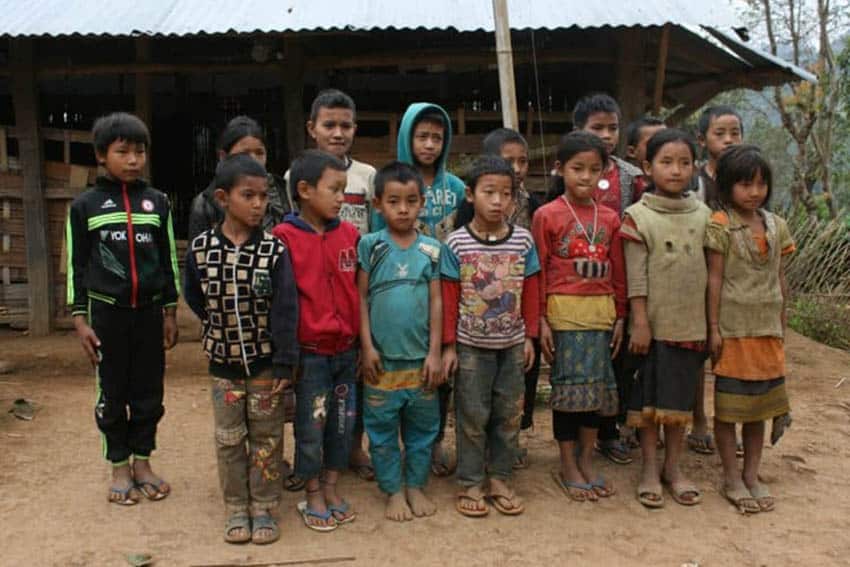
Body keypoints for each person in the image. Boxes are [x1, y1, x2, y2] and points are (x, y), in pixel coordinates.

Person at [183, 154, 299, 544]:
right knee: (229, 438)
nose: (258, 205)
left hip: (266, 366)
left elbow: (285, 309)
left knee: (267, 437)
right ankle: (236, 506)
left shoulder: (274, 251)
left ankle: (264, 507)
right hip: (223, 367)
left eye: (263, 196)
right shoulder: (200, 249)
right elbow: (195, 297)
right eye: (247, 195)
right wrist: (220, 328)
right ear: (222, 198)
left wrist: (285, 362)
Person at [66, 112, 179, 505]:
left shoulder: (158, 202)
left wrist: (169, 311)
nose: (133, 160)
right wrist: (79, 319)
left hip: (148, 314)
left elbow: (168, 261)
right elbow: (76, 265)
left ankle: (143, 463)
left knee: (149, 392)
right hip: (106, 316)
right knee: (112, 393)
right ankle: (119, 466)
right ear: (101, 156)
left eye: (140, 151)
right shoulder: (84, 207)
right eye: (123, 152)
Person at [440, 155, 540, 517]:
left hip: (512, 344)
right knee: (471, 413)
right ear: (470, 194)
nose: (498, 201)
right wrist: (449, 346)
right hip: (470, 346)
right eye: (489, 192)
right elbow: (449, 298)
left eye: (506, 194)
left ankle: (499, 476)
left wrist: (530, 337)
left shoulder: (524, 242)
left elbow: (532, 290)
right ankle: (470, 480)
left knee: (509, 413)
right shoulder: (456, 244)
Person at [286, 89, 377, 481]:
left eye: (345, 125)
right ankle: (312, 475)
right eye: (329, 125)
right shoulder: (297, 176)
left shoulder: (368, 176)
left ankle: (351, 455)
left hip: (352, 282)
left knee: (350, 399)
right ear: (312, 129)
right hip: (313, 322)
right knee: (313, 408)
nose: (338, 132)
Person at [373, 102, 466, 477]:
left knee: (437, 371)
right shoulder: (392, 182)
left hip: (443, 286)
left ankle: (433, 441)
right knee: (395, 369)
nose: (429, 144)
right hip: (399, 286)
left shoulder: (456, 188)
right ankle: (392, 444)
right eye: (422, 136)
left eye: (437, 137)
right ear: (406, 137)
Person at [532, 132, 626, 502]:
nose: (585, 177)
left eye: (594, 170)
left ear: (604, 171)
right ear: (560, 169)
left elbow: (618, 270)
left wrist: (621, 315)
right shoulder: (547, 215)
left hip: (601, 315)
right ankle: (567, 462)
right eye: (577, 169)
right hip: (564, 315)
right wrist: (539, 320)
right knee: (569, 392)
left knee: (598, 394)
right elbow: (537, 269)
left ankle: (587, 459)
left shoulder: (610, 218)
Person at [621, 128, 711, 509]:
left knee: (679, 403)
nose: (676, 171)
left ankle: (674, 468)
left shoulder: (706, 215)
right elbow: (636, 275)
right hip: (653, 327)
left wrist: (713, 325)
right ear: (647, 166)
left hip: (690, 325)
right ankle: (648, 468)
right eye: (666, 162)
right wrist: (640, 321)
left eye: (684, 163)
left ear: (695, 167)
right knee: (649, 404)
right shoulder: (638, 216)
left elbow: (713, 275)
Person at [272, 150, 360, 532]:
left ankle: (331, 486)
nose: (341, 198)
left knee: (343, 423)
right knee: (311, 426)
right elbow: (281, 303)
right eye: (334, 189)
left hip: (346, 351)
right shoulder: (283, 238)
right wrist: (286, 355)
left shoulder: (350, 235)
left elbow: (358, 289)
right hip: (310, 356)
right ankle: (311, 493)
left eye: (344, 189)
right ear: (305, 190)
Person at [706, 145, 794, 514]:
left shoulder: (777, 225)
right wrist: (713, 327)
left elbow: (779, 276)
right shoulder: (720, 225)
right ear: (727, 187)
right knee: (730, 409)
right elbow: (714, 280)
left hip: (766, 330)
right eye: (745, 184)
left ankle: (753, 474)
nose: (754, 191)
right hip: (733, 329)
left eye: (761, 184)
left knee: (759, 409)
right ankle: (731, 476)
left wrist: (783, 318)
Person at [561, 93, 647, 465]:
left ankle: (610, 432)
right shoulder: (565, 179)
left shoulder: (630, 177)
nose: (608, 135)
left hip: (620, 275)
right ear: (578, 130)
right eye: (598, 128)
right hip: (576, 290)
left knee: (618, 362)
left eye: (613, 128)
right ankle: (576, 442)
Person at [358, 161, 444, 522]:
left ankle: (415, 486)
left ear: (422, 203)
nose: (403, 209)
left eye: (411, 201)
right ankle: (392, 491)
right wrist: (366, 347)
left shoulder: (431, 249)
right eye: (394, 201)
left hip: (421, 360)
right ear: (378, 204)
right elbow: (360, 298)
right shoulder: (370, 246)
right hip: (383, 361)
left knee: (423, 431)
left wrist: (436, 352)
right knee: (381, 430)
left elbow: (438, 300)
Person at [481, 127, 542, 468]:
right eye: (509, 161)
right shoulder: (472, 205)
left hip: (520, 309)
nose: (517, 169)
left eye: (523, 161)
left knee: (519, 380)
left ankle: (511, 439)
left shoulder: (535, 207)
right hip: (484, 307)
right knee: (484, 382)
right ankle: (485, 444)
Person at [688, 105, 745, 456]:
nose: (727, 140)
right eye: (719, 134)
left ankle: (730, 422)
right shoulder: (695, 181)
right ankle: (698, 420)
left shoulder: (747, 178)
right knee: (698, 354)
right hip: (699, 275)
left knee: (731, 354)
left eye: (734, 133)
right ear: (702, 139)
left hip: (737, 279)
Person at [188, 116, 292, 242]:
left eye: (259, 153)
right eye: (244, 153)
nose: (254, 160)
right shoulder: (205, 204)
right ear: (223, 156)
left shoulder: (284, 191)